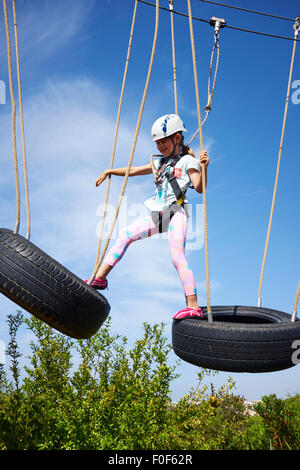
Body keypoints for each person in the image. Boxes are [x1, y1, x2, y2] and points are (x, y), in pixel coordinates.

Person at [86, 114, 210, 320]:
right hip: (159, 214)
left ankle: (193, 305)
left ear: (177, 138)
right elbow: (133, 170)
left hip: (176, 212)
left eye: (164, 141)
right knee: (126, 234)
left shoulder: (189, 161)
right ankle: (99, 278)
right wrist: (110, 171)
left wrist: (204, 167)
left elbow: (199, 188)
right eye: (158, 143)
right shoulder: (159, 163)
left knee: (177, 256)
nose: (160, 146)